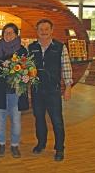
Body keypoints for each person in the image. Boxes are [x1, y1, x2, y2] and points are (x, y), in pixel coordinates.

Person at [28, 19, 73, 161]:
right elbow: (28, 68)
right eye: (41, 29)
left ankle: (59, 148)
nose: (44, 31)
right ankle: (41, 143)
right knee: (39, 118)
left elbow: (66, 68)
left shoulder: (60, 47)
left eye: (46, 29)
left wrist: (68, 87)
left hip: (53, 91)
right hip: (37, 90)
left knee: (57, 120)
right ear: (37, 30)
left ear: (52, 30)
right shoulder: (32, 47)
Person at [0, 23, 28, 158]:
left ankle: (14, 145)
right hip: (0, 91)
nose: (8, 35)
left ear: (16, 34)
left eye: (11, 32)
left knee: (16, 121)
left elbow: (26, 69)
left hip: (15, 92)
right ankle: (1, 144)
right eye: (5, 32)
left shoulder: (22, 50)